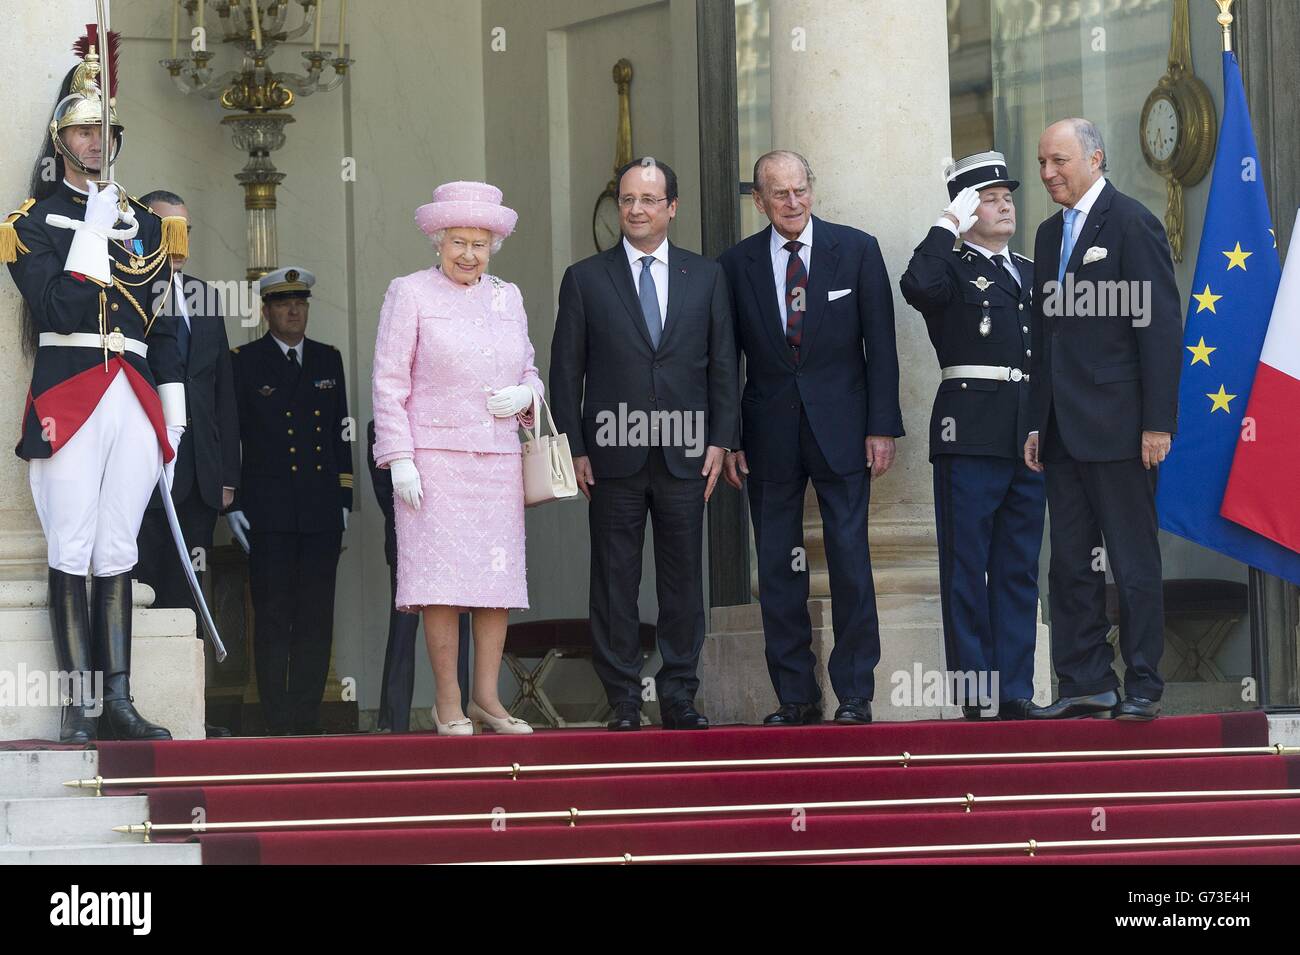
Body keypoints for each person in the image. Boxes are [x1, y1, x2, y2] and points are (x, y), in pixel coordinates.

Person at [3, 32, 184, 742]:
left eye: (105, 129)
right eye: (83, 128)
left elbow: (165, 321)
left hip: (133, 392)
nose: (96, 140)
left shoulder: (147, 222)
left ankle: (119, 702)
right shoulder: (31, 223)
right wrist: (89, 233)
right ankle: (78, 706)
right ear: (60, 136)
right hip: (71, 388)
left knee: (118, 548)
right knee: (71, 545)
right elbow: (57, 308)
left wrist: (174, 411)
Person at [550, 158, 739, 731]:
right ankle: (625, 699)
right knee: (614, 580)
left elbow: (725, 366)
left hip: (686, 453)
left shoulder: (704, 276)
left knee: (684, 579)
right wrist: (575, 448)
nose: (635, 209)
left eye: (649, 200)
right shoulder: (585, 278)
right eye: (627, 199)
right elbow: (565, 373)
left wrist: (721, 440)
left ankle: (680, 695)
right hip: (612, 455)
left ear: (671, 207)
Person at [719, 149, 902, 726]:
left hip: (844, 430)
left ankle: (855, 694)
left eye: (800, 190)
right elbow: (727, 361)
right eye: (779, 194)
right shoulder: (736, 264)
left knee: (850, 559)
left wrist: (881, 427)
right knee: (777, 566)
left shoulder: (857, 249)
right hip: (767, 433)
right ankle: (795, 697)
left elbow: (882, 346)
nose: (793, 203)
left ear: (812, 190)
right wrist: (729, 437)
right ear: (759, 200)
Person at [1022, 119, 1182, 721]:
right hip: (1062, 431)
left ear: (1096, 158)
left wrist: (1157, 424)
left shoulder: (1132, 222)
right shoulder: (1044, 234)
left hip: (1121, 428)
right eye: (1042, 162)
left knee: (1132, 560)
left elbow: (1159, 329)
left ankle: (1142, 684)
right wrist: (1037, 421)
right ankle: (1086, 681)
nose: (1047, 174)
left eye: (1058, 161)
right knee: (1068, 563)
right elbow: (1045, 337)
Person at [371, 181, 538, 736]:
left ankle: (488, 700)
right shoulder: (410, 292)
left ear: (494, 246)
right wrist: (399, 459)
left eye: (480, 243)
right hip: (434, 461)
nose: (469, 254)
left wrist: (528, 396)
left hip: (495, 460)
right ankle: (448, 702)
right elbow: (389, 382)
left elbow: (529, 368)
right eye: (458, 242)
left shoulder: (507, 296)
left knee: (496, 586)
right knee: (440, 584)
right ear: (438, 241)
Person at [900, 150, 1044, 721]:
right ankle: (975, 693)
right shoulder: (951, 267)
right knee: (967, 566)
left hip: (1027, 435)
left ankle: (1015, 690)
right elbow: (917, 284)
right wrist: (946, 224)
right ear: (965, 208)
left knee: (1017, 566)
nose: (1004, 203)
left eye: (1007, 195)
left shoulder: (1033, 271)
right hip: (969, 433)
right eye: (988, 197)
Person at [227, 267, 353, 735]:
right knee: (274, 614)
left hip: (320, 509)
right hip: (269, 509)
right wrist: (233, 501)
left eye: (300, 302)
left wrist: (345, 495)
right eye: (283, 303)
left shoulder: (327, 359)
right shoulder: (244, 361)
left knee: (316, 615)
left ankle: (307, 714)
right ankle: (277, 717)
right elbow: (231, 435)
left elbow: (342, 432)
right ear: (266, 311)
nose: (294, 310)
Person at [133, 190, 240, 738]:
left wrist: (228, 475)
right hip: (147, 471)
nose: (179, 241)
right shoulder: (128, 289)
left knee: (190, 591)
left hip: (199, 475)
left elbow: (222, 391)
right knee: (144, 585)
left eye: (186, 230)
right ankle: (141, 710)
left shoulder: (204, 296)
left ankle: (189, 713)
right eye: (167, 228)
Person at [365, 419, 470, 732]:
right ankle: (393, 720)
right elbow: (386, 495)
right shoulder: (381, 426)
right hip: (407, 540)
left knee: (459, 627)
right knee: (402, 630)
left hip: (453, 540)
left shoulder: (450, 421)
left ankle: (459, 710)